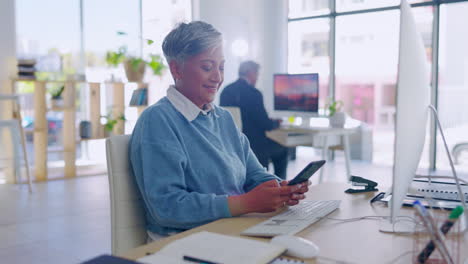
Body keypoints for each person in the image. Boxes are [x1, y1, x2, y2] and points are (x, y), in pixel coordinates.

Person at [129, 21, 309, 238]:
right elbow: (167, 206)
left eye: (221, 67)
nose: (217, 77)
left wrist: (281, 189)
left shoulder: (223, 118)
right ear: (176, 68)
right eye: (207, 67)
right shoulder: (158, 121)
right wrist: (244, 202)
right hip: (186, 240)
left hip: (233, 229)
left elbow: (254, 174)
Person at [220, 61, 289, 179]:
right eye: (257, 74)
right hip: (255, 147)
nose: (257, 77)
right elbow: (265, 124)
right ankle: (280, 186)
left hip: (231, 146)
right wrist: (276, 122)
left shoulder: (226, 91)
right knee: (283, 150)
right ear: (250, 73)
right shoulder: (254, 94)